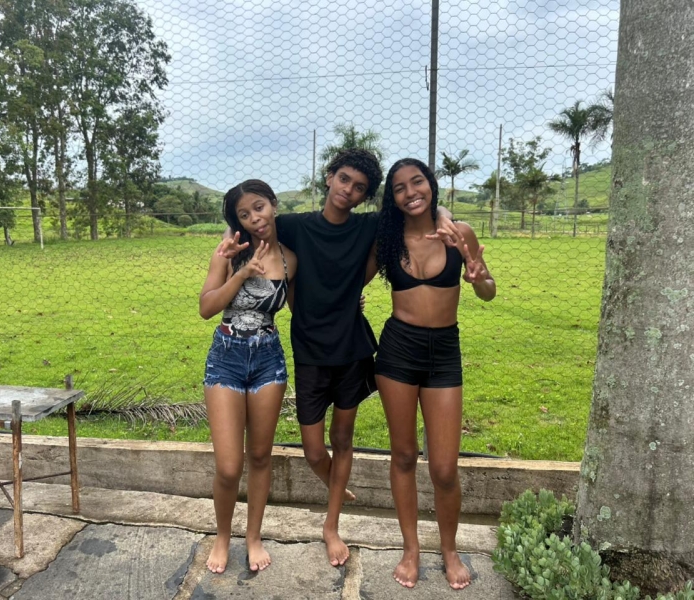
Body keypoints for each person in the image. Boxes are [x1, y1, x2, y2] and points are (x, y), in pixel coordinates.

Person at [218, 149, 460, 568]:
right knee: (314, 450)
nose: (349, 190)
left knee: (342, 439)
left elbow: (416, 210)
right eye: (344, 179)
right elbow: (250, 220)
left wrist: (443, 214)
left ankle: (331, 526)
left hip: (352, 348)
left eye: (360, 187)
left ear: (366, 196)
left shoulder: (369, 227)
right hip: (309, 351)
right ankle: (337, 487)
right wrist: (227, 242)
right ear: (329, 177)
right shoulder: (294, 225)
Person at [373, 158, 496, 590]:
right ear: (392, 198)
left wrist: (478, 278)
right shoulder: (387, 239)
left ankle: (449, 549)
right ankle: (411, 549)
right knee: (404, 455)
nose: (411, 192)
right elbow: (347, 273)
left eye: (417, 182)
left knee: (444, 467)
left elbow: (488, 290)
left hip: (444, 353)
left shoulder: (459, 233)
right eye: (400, 187)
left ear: (431, 184)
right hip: (397, 351)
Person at [199, 179, 297, 574]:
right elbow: (206, 307)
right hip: (226, 358)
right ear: (237, 222)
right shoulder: (228, 253)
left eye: (259, 207)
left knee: (259, 455)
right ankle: (222, 536)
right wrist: (240, 274)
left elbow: (303, 308)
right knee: (228, 466)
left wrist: (346, 303)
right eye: (244, 214)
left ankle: (253, 537)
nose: (255, 217)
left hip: (268, 360)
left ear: (273, 205)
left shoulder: (290, 258)